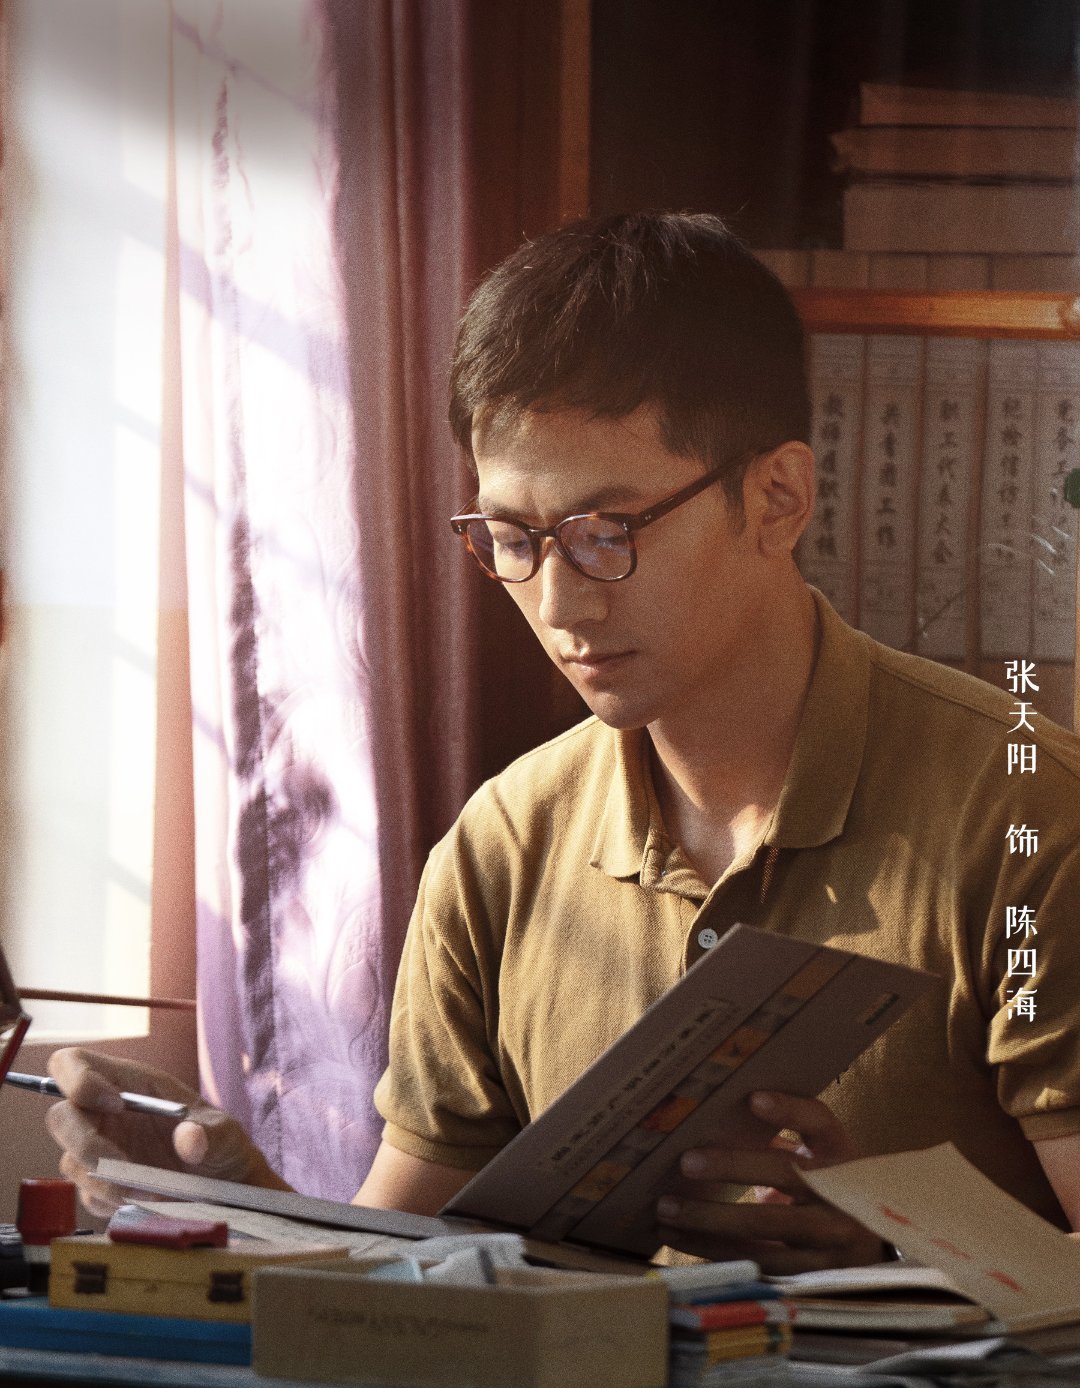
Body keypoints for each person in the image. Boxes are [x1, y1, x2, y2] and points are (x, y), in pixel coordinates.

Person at [46, 212, 1080, 1272]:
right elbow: (405, 1279)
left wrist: (902, 1259)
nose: (557, 603)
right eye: (511, 538)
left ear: (777, 499)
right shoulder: (503, 848)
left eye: (604, 534)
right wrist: (224, 1201)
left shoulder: (1026, 817)